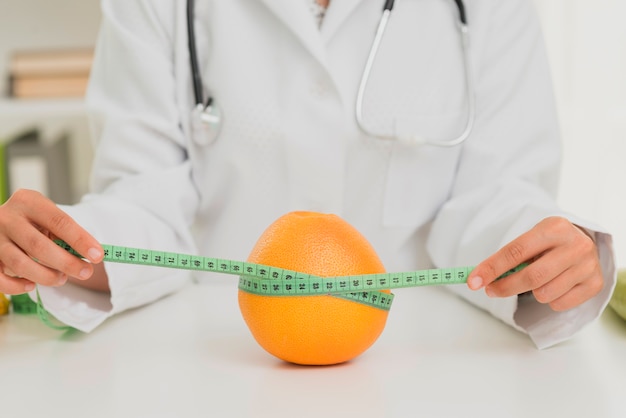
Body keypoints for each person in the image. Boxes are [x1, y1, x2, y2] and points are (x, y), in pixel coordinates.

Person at [0, 0, 615, 348]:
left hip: (430, 354)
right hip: (209, 359)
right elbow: (146, 196)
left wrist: (547, 256)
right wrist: (64, 244)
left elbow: (494, 194)